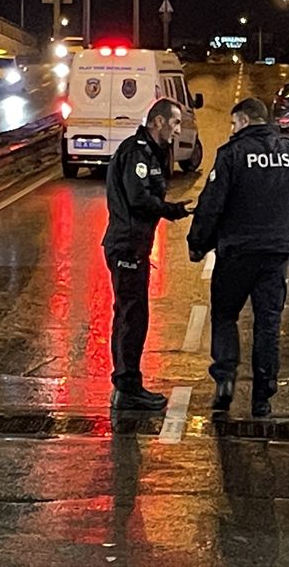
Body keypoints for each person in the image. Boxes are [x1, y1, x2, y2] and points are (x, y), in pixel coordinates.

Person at [188, 97, 289, 417]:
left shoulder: (231, 155)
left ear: (244, 121)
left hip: (236, 253)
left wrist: (198, 243)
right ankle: (262, 396)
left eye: (233, 123)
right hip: (276, 254)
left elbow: (211, 204)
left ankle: (226, 380)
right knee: (267, 323)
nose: (231, 129)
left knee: (226, 315)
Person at [103, 98, 191, 411]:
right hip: (126, 245)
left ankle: (127, 384)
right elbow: (139, 198)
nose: (178, 129)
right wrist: (174, 210)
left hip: (135, 244)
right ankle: (127, 387)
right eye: (175, 123)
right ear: (157, 122)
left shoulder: (152, 152)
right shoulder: (136, 152)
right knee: (131, 315)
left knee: (132, 313)